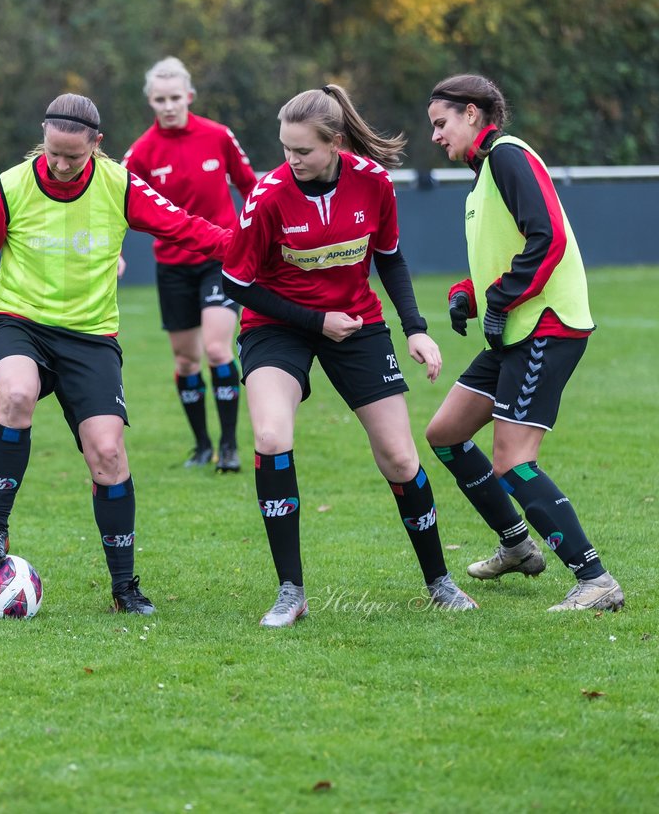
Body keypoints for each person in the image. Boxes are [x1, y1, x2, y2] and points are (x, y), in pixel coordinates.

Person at [0, 93, 230, 615]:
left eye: (73, 157)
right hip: (18, 321)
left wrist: (249, 247)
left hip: (90, 336)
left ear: (97, 146)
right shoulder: (11, 186)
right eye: (53, 152)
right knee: (16, 394)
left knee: (107, 454)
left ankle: (125, 588)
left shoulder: (119, 184)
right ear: (44, 137)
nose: (59, 165)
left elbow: (187, 228)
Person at [217, 84, 477, 627]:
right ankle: (291, 591)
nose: (291, 160)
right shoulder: (266, 196)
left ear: (335, 142)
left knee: (402, 459)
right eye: (285, 149)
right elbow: (237, 283)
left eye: (303, 151)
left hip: (357, 323)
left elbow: (391, 260)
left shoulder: (374, 183)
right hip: (277, 326)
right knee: (270, 436)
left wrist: (415, 329)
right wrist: (315, 321)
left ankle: (439, 581)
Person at [423, 74, 623, 611]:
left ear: (472, 112)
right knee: (445, 433)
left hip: (545, 325)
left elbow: (548, 237)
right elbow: (503, 254)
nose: (436, 136)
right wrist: (469, 294)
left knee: (513, 460)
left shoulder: (508, 155)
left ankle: (595, 580)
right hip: (518, 326)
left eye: (441, 124)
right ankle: (516, 545)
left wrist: (502, 299)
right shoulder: (483, 174)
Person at [121, 57, 257, 472]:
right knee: (185, 361)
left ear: (190, 97)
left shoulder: (218, 136)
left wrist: (259, 238)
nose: (168, 105)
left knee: (217, 348)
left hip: (221, 258)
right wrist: (117, 252)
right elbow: (114, 201)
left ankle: (230, 448)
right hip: (173, 265)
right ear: (150, 101)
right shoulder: (142, 152)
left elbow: (253, 187)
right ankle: (201, 447)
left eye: (175, 97)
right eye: (160, 99)